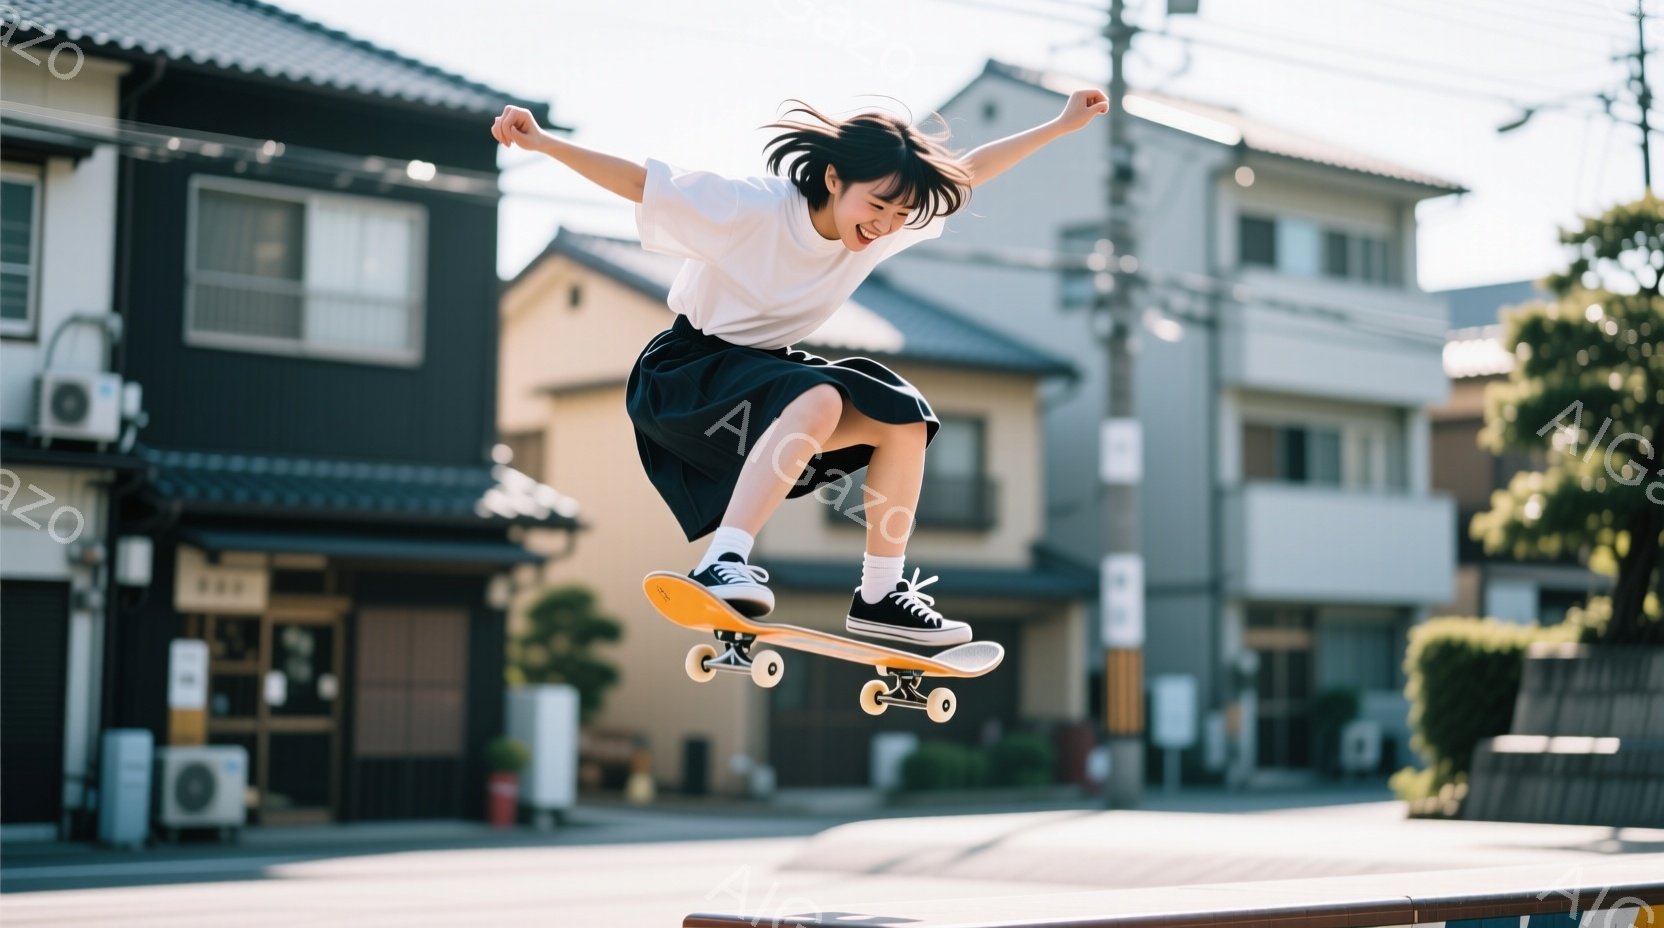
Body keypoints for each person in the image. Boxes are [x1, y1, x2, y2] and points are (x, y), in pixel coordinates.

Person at [491, 89, 1107, 645]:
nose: (886, 227)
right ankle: (722, 560)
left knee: (902, 416)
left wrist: (1057, 125)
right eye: (879, 207)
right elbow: (639, 184)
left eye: (900, 216)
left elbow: (967, 173)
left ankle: (880, 596)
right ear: (834, 177)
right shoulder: (754, 208)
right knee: (820, 398)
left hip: (766, 378)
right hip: (684, 375)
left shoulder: (884, 224)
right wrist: (541, 142)